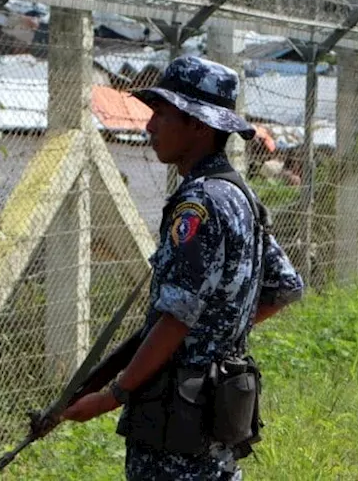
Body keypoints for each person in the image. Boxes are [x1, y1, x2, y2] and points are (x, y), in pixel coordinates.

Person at [57, 56, 304, 480]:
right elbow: (284, 287)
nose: (150, 126)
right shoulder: (239, 195)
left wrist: (112, 395)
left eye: (163, 114)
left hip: (177, 414)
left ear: (199, 126)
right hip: (219, 403)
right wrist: (219, 337)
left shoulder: (200, 203)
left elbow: (176, 318)